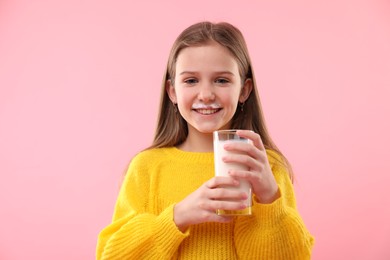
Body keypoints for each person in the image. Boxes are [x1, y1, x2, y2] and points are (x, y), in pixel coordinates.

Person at [96, 21, 314, 259]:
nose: (206, 94)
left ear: (244, 90)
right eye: (191, 80)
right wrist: (177, 217)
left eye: (221, 80)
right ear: (172, 92)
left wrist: (270, 198)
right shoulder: (146, 167)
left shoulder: (265, 166)